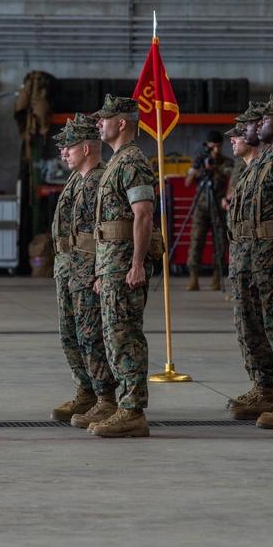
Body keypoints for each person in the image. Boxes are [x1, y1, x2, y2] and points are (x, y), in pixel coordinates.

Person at [229, 95, 273, 424]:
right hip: (250, 256)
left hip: (270, 257)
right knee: (253, 326)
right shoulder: (261, 162)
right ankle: (266, 386)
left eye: (261, 121)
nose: (253, 127)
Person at [89, 94, 156, 437]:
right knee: (114, 336)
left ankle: (132, 410)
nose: (98, 123)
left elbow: (143, 215)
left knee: (125, 336)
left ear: (122, 123)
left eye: (104, 118)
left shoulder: (132, 162)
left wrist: (137, 264)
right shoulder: (118, 161)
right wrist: (103, 271)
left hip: (124, 265)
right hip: (111, 266)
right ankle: (125, 406)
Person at [48, 118, 119, 426]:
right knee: (71, 335)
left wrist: (100, 272)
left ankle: (106, 397)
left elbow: (105, 232)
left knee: (92, 337)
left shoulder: (100, 179)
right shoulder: (78, 179)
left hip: (87, 269)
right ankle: (86, 390)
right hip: (68, 268)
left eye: (68, 147)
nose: (63, 153)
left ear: (86, 148)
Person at [225, 118, 273, 413]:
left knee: (267, 326)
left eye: (240, 133)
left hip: (264, 260)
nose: (235, 138)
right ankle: (263, 386)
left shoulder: (272, 166)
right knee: (248, 327)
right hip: (245, 260)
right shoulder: (250, 172)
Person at [184, 130, 233, 291]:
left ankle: (217, 277)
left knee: (220, 241)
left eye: (219, 146)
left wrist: (212, 169)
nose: (216, 150)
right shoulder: (199, 160)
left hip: (218, 205)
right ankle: (193, 277)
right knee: (197, 240)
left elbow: (228, 177)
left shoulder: (226, 162)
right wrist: (199, 170)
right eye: (213, 147)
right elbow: (187, 183)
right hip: (201, 206)